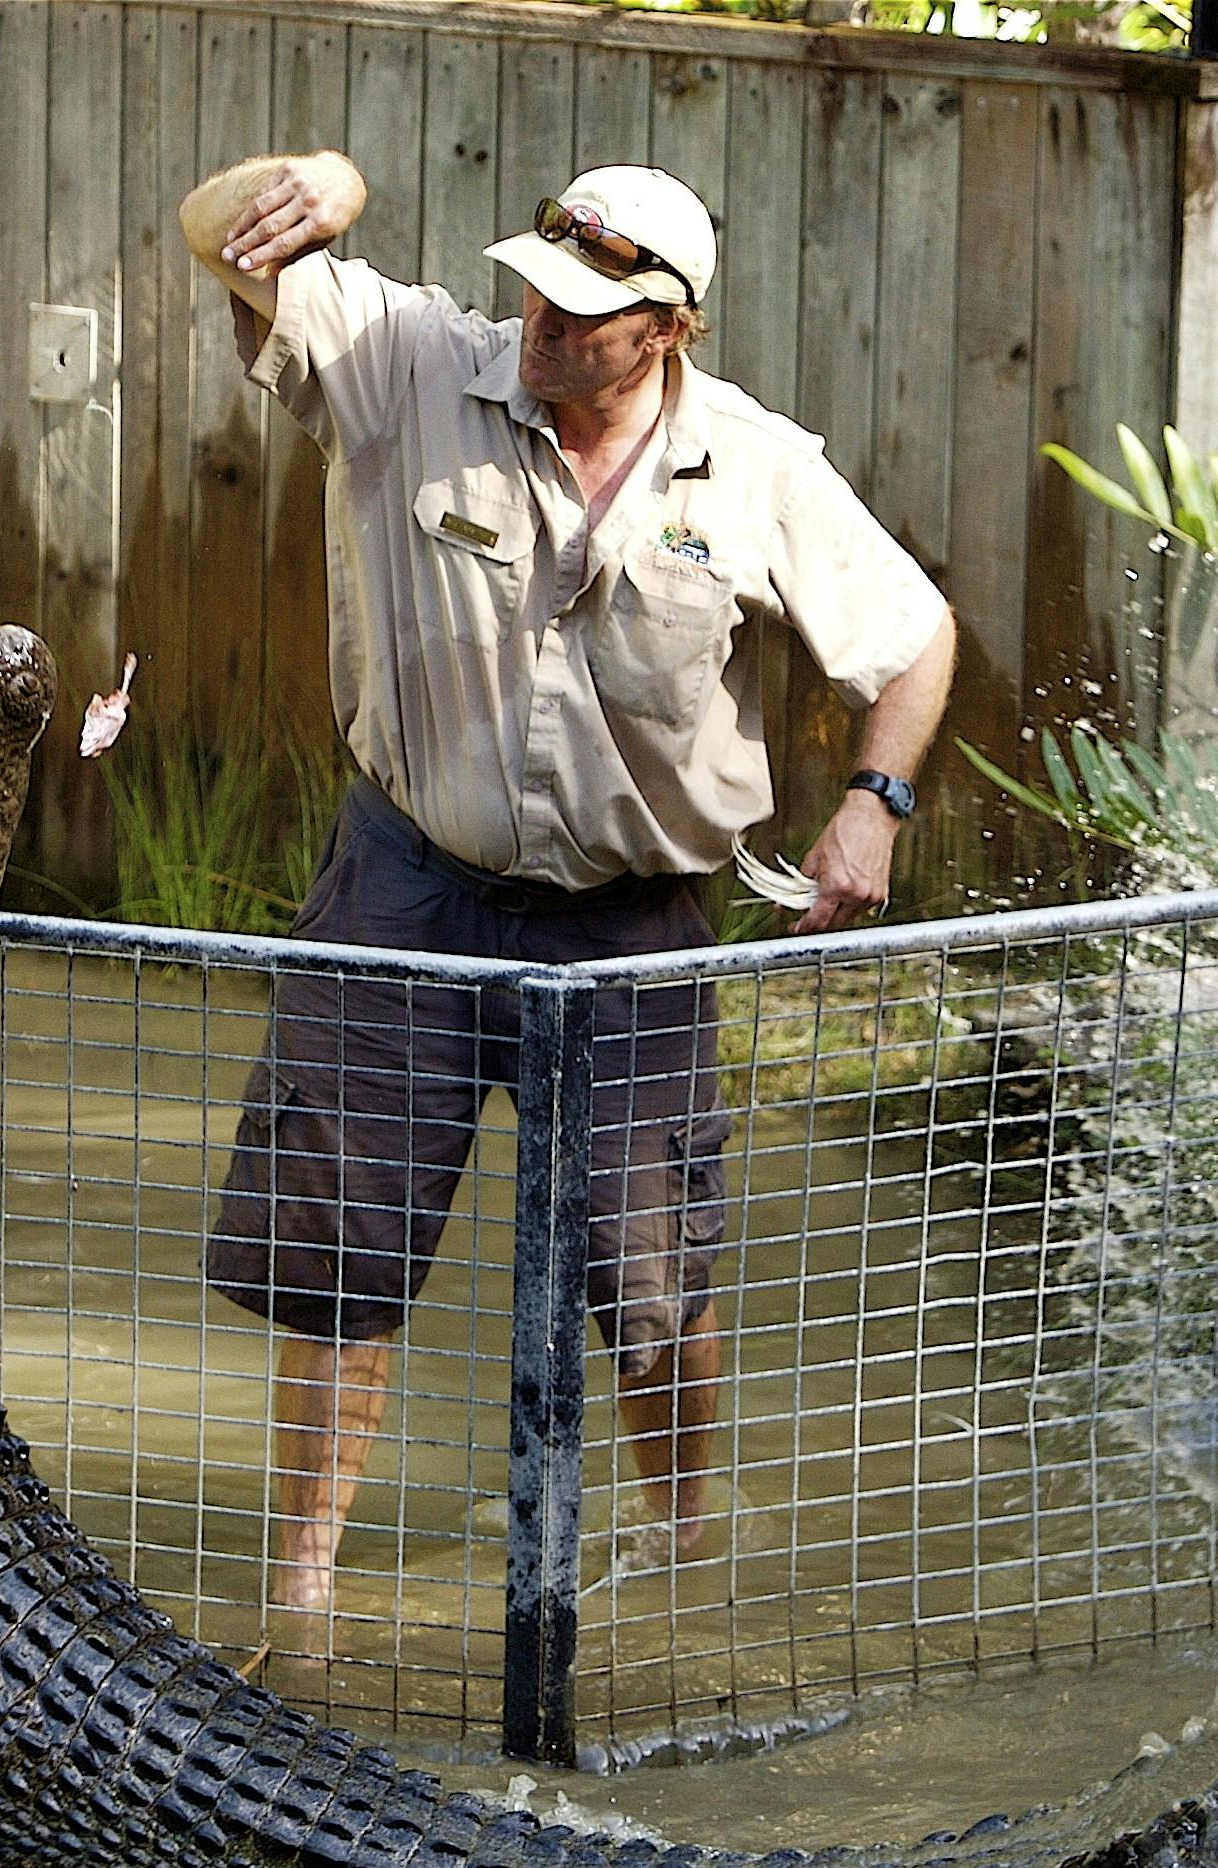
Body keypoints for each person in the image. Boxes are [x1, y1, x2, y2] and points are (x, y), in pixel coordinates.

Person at [176, 153, 956, 1625]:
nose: (541, 319)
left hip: (631, 923)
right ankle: (300, 1599)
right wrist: (332, 182)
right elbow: (211, 233)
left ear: (667, 325)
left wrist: (875, 805)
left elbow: (912, 640)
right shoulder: (409, 365)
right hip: (406, 890)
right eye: (534, 286)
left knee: (652, 1275)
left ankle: (685, 1554)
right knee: (341, 1254)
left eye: (585, 309)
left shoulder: (757, 468)